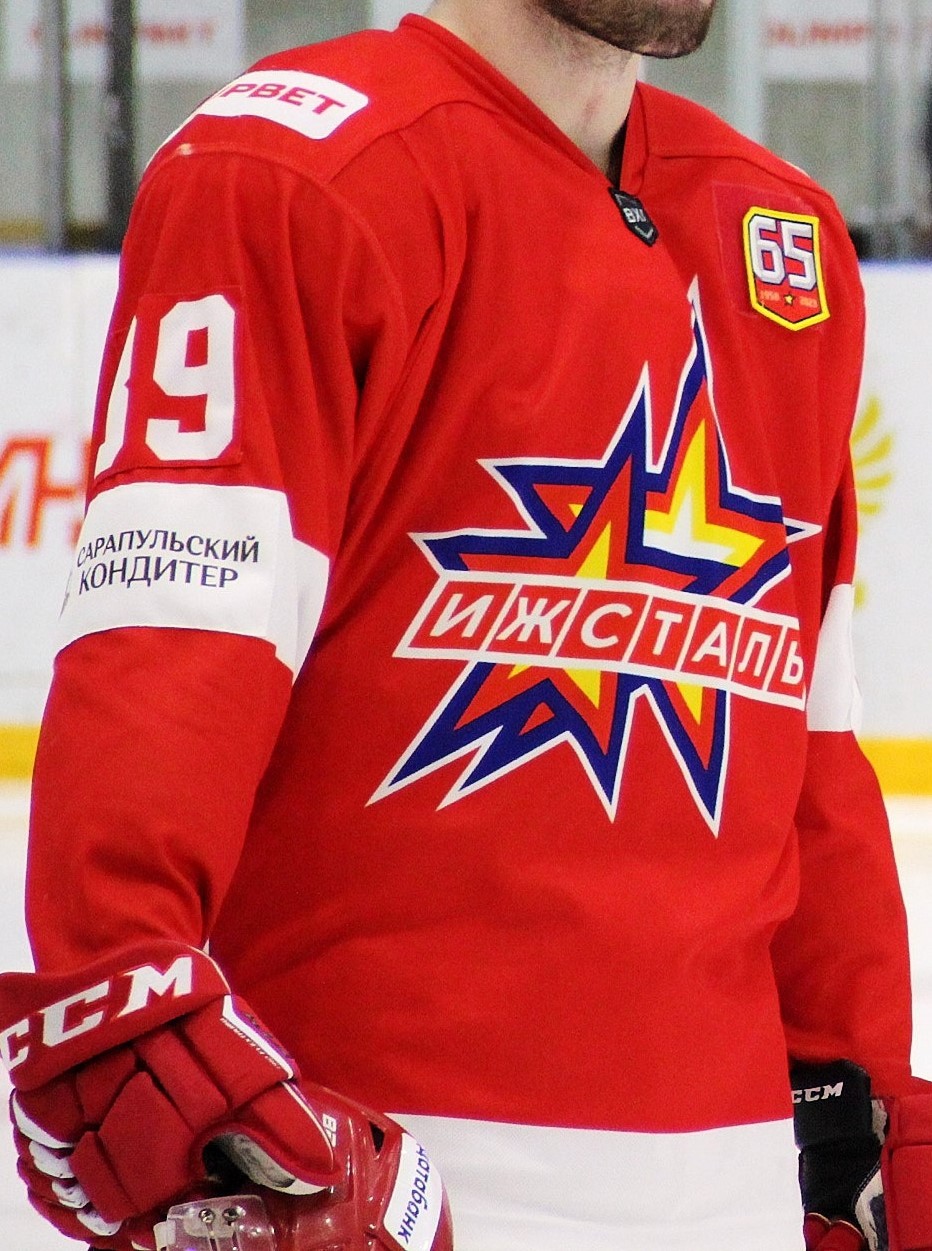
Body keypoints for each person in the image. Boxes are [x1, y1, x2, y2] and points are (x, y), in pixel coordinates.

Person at [0, 1, 930, 1248]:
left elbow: (802, 736)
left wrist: (857, 1090)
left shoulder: (779, 235)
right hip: (381, 1183)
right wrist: (125, 999)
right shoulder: (291, 173)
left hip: (736, 1191)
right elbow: (174, 654)